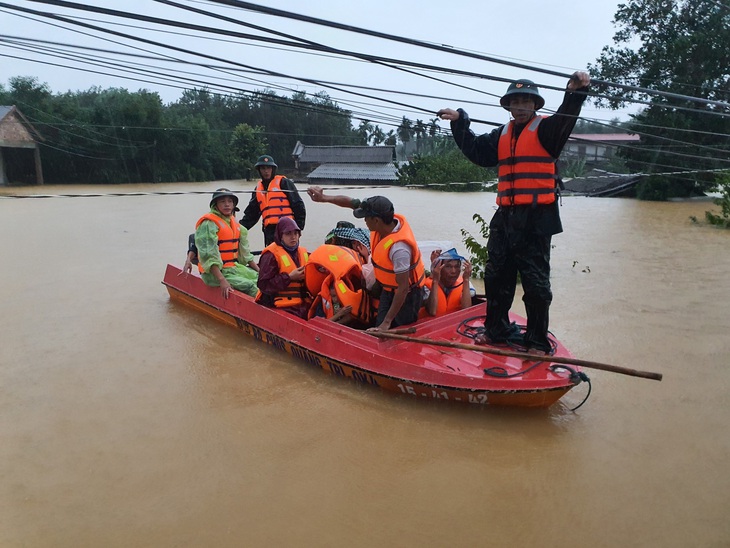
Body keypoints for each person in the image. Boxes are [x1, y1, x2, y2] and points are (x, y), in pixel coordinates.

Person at [437, 71, 590, 354]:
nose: (520, 107)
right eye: (515, 102)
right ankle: (496, 330)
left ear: (535, 105)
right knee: (496, 277)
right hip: (505, 217)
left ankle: (536, 341)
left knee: (535, 283)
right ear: (508, 106)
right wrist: (460, 122)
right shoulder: (501, 135)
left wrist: (575, 91)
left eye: (526, 102)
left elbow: (566, 116)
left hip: (537, 218)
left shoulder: (547, 131)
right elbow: (477, 151)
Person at [306, 187, 426, 331]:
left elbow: (403, 288)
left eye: (366, 218)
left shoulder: (399, 249)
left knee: (395, 331)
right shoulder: (383, 218)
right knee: (379, 326)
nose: (364, 221)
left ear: (376, 220)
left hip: (406, 296)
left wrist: (387, 323)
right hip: (387, 288)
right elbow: (352, 202)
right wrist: (324, 198)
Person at [193, 188, 259, 298]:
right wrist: (222, 280)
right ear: (216, 205)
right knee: (250, 286)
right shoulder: (208, 225)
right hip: (213, 274)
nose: (227, 205)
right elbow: (209, 257)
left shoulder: (237, 226)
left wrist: (260, 272)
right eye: (222, 202)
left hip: (233, 268)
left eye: (230, 201)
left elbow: (246, 255)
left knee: (260, 280)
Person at [240, 155, 306, 246]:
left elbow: (298, 206)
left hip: (287, 229)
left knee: (288, 256)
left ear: (273, 169)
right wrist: (239, 229)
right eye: (263, 168)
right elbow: (251, 214)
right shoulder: (258, 190)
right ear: (259, 170)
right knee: (272, 256)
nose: (266, 171)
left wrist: (298, 228)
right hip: (269, 232)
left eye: (268, 168)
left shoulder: (284, 183)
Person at [255, 217, 310, 318]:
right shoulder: (270, 255)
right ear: (280, 236)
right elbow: (263, 285)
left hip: (302, 304)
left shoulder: (304, 253)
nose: (293, 237)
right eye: (288, 234)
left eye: (295, 233)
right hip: (279, 306)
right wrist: (289, 277)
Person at [420, 248, 473, 319]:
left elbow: (467, 310)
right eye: (448, 267)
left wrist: (466, 279)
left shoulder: (464, 284)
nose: (453, 271)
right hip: (431, 327)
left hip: (453, 325)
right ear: (440, 269)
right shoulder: (426, 286)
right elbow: (432, 311)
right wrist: (435, 281)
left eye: (457, 267)